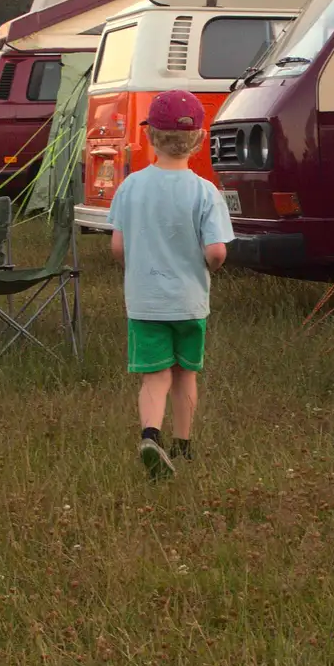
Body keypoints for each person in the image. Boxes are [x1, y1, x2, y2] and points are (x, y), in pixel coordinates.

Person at [109, 90, 234, 480]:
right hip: (189, 301)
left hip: (145, 301)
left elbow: (118, 247)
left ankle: (150, 435)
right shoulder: (204, 191)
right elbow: (216, 251)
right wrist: (211, 265)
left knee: (155, 375)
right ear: (198, 139)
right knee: (185, 374)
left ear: (150, 136)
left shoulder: (130, 186)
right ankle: (183, 445)